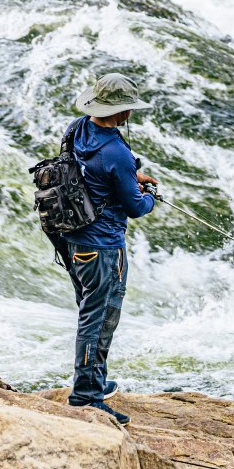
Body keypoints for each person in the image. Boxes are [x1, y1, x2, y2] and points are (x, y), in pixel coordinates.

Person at [62, 73, 159, 426]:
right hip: (102, 246)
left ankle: (94, 383)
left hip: (72, 237)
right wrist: (147, 197)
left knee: (91, 310)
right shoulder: (116, 150)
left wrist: (130, 179)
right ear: (122, 111)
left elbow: (94, 174)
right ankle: (87, 396)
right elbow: (134, 208)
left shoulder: (78, 128)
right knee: (100, 317)